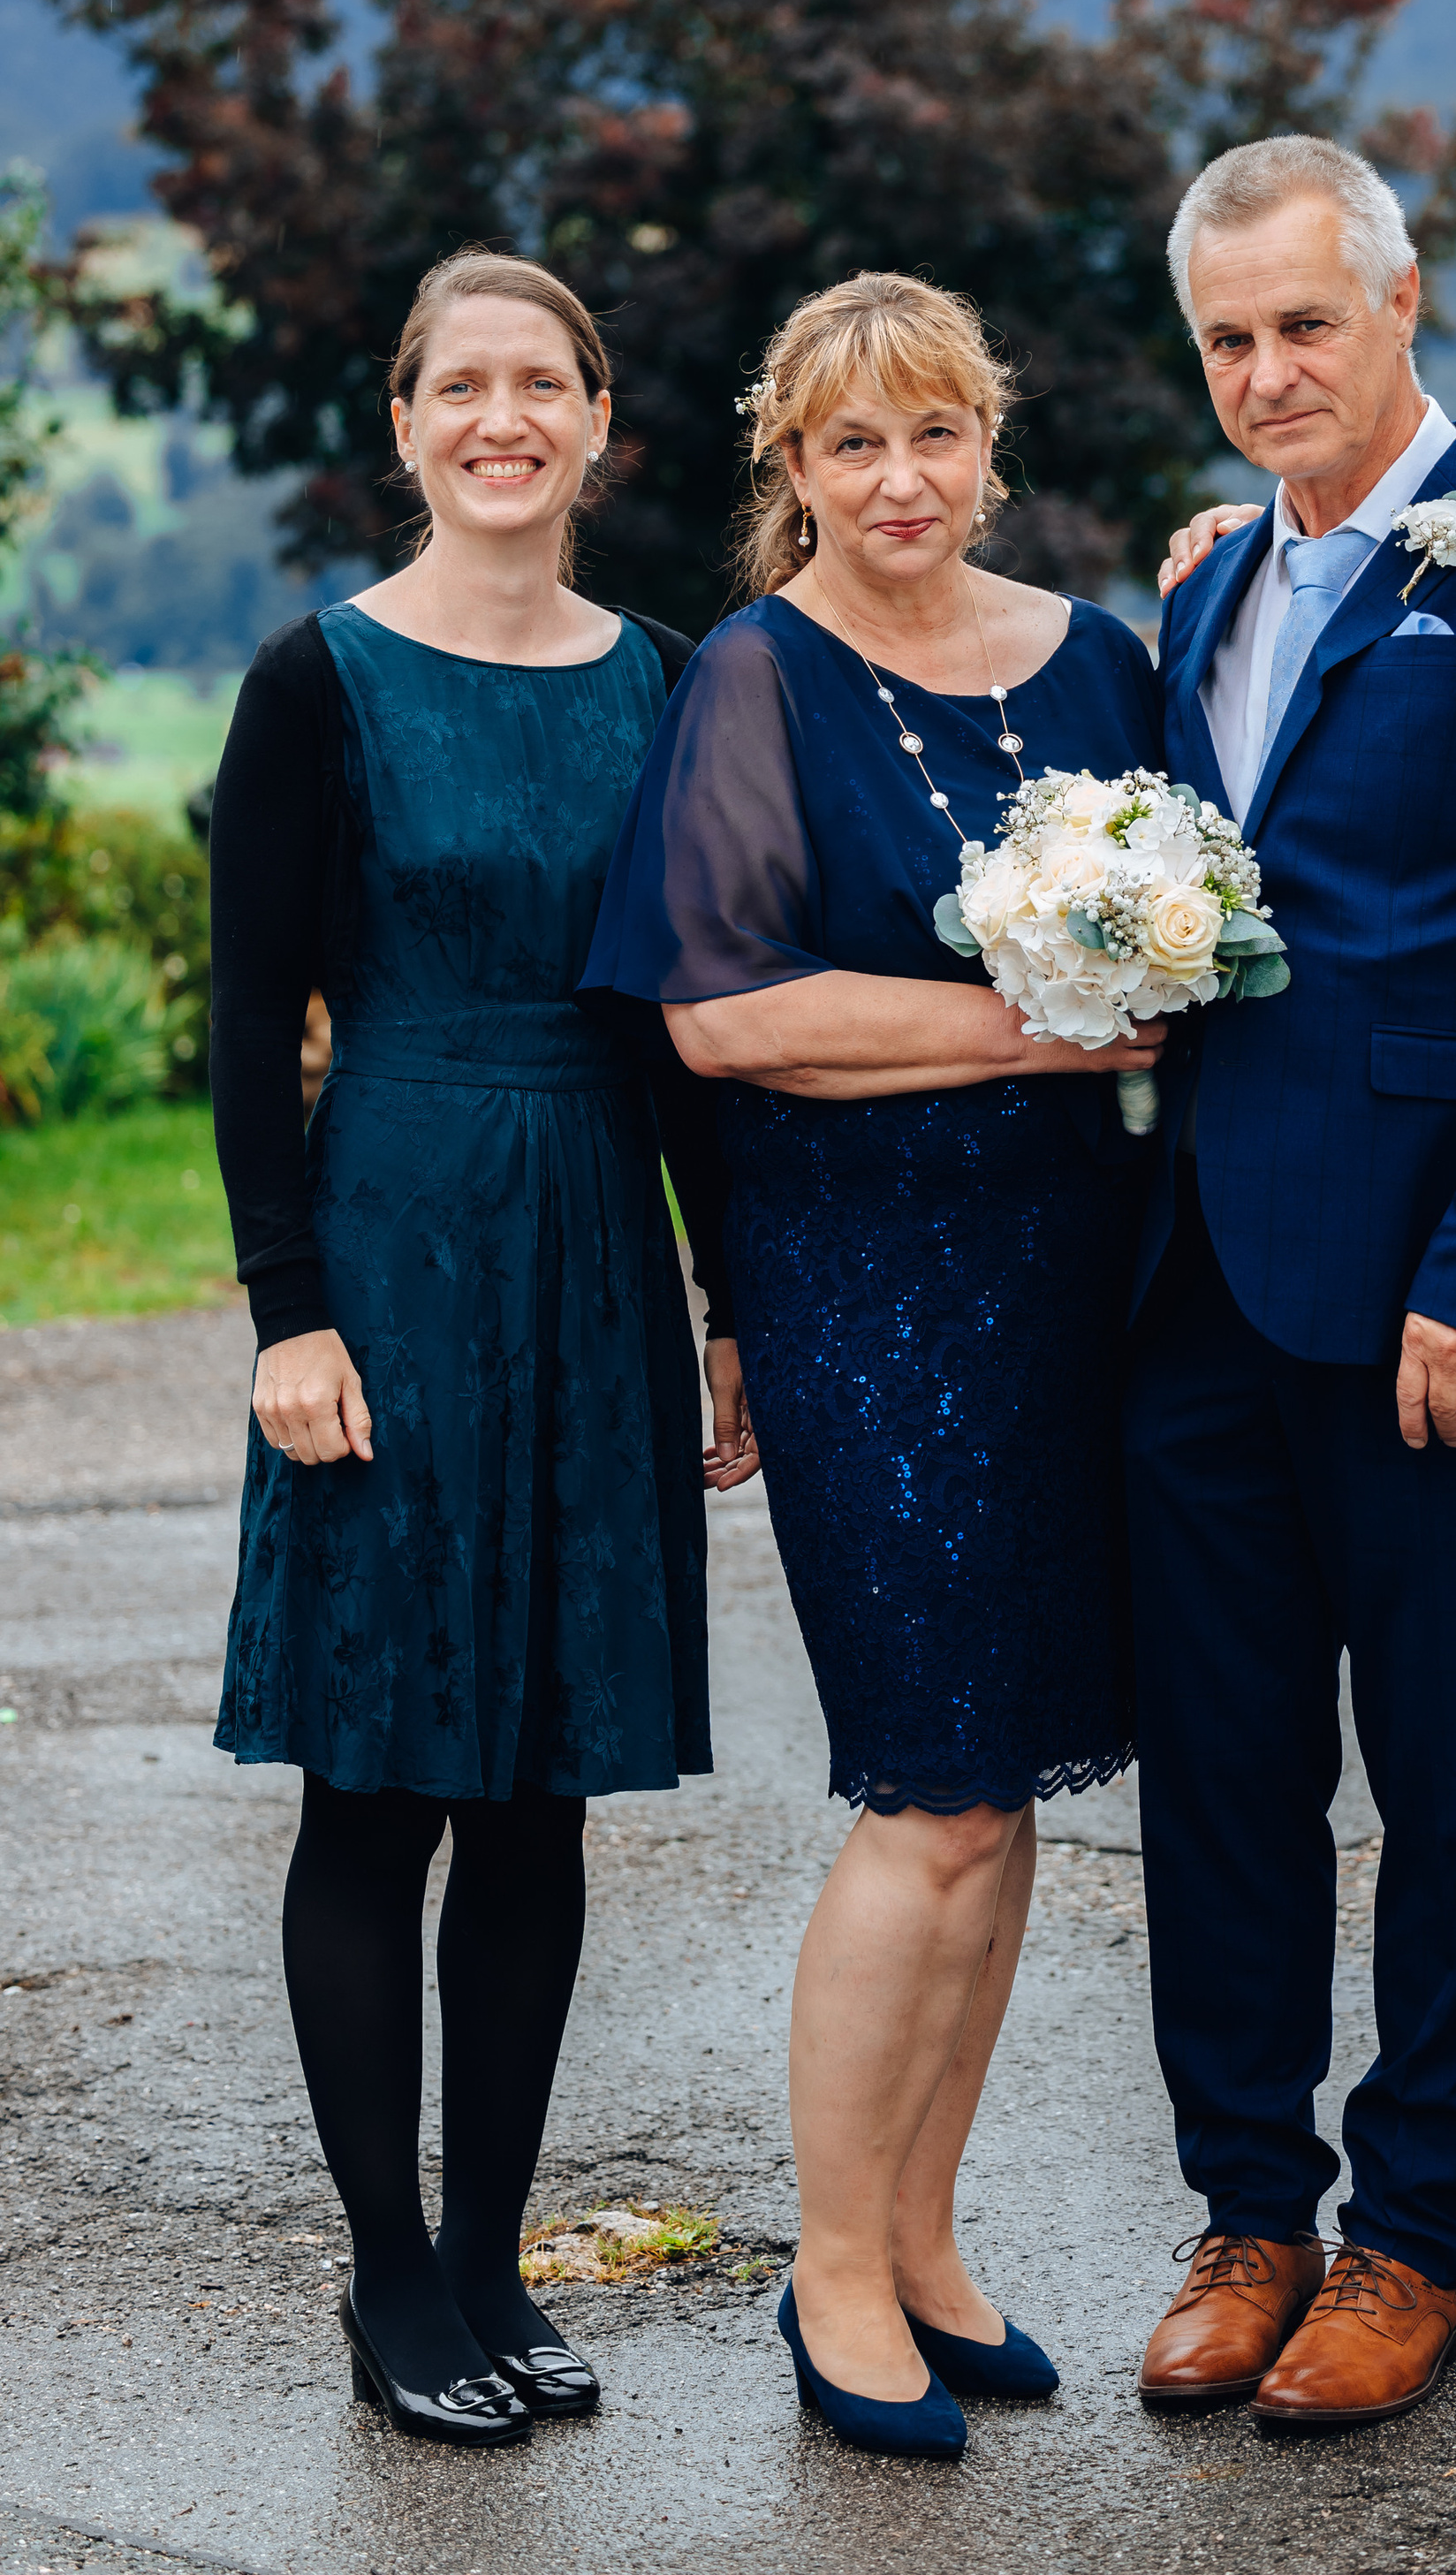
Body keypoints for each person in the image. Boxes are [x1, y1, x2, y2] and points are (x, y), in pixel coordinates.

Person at [582, 271, 1165, 2463]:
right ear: (790, 470)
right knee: (921, 1783)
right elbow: (722, 1017)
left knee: (1005, 1793)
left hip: (1066, 1276)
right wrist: (1039, 1027)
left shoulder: (1094, 654)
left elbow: (1188, 901)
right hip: (861, 1292)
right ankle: (831, 2272)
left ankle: (927, 2239)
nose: (896, 481)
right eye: (850, 447)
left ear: (984, 443)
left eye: (931, 435)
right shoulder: (755, 675)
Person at [1126, 134, 1456, 2429]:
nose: (1268, 374)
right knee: (1222, 1779)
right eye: (1230, 340)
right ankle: (1248, 2207)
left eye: (1303, 327)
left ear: (1404, 298)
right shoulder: (1205, 589)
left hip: (1445, 1293)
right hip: (1195, 1286)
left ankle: (1410, 2238)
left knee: (1451, 1783)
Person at [209, 249, 733, 2448]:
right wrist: (286, 1316)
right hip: (396, 1240)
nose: (502, 417)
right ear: (408, 423)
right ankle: (388, 2280)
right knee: (385, 1776)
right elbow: (242, 1026)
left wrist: (723, 1308)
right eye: (461, 386)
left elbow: (691, 1032)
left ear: (600, 426)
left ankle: (500, 2260)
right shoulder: (313, 681)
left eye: (544, 383)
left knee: (537, 1791)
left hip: (596, 1245)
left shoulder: (676, 682)